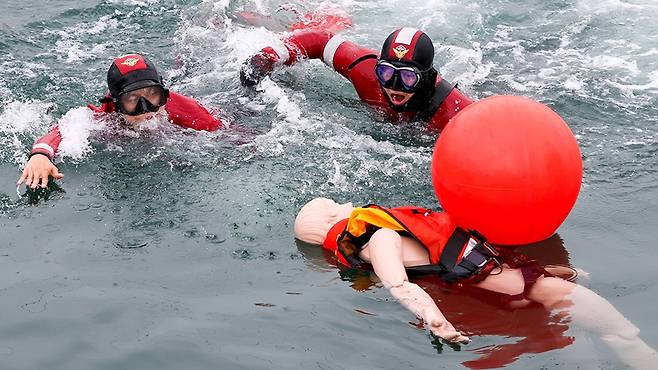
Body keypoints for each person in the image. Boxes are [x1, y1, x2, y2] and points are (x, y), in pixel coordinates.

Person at [294, 197, 658, 369]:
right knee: (619, 333)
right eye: (338, 204)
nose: (347, 202)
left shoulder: (360, 256)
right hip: (518, 287)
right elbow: (400, 285)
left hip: (493, 292)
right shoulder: (378, 238)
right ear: (338, 217)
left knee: (574, 342)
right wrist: (435, 320)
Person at [17, 53, 222, 189]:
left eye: (153, 95)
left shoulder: (182, 108)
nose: (146, 109)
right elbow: (61, 131)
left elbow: (229, 134)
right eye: (132, 100)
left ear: (163, 94)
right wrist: (39, 156)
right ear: (115, 104)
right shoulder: (102, 118)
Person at [241, 27, 473, 131]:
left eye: (408, 78)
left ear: (426, 78)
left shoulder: (453, 111)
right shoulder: (365, 70)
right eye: (386, 73)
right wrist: (271, 56)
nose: (394, 85)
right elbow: (320, 40)